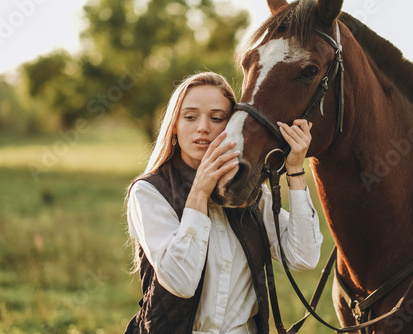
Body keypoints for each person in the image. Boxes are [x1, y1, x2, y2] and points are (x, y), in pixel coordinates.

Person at [124, 71, 323, 334]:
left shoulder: (252, 194)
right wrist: (200, 192)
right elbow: (180, 282)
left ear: (233, 126)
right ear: (174, 125)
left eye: (217, 118)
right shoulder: (149, 192)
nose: (203, 127)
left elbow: (304, 257)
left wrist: (296, 169)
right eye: (190, 117)